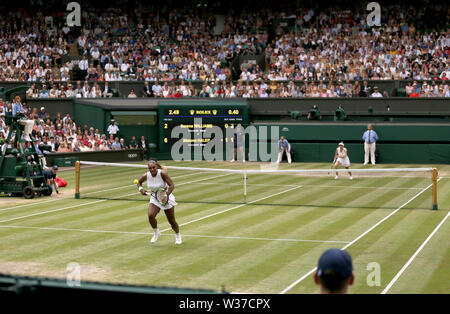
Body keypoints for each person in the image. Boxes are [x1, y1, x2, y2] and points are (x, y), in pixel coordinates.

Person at [137, 160, 181, 245]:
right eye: (150, 168)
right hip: (154, 197)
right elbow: (139, 182)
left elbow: (172, 185)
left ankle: (178, 235)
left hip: (166, 196)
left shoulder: (162, 174)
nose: (152, 169)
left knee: (171, 221)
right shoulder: (146, 175)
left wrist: (166, 195)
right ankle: (156, 233)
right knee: (150, 215)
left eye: (153, 167)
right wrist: (141, 190)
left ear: (156, 167)